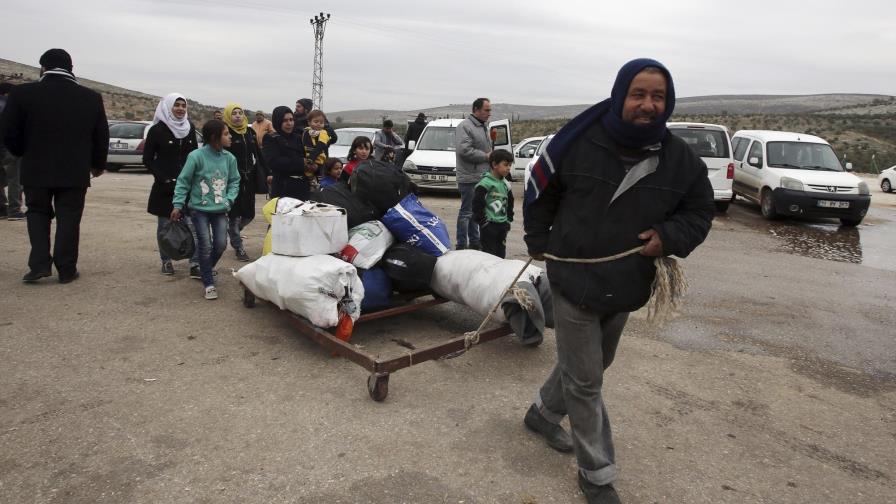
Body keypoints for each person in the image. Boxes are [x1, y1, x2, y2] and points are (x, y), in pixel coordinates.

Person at [522, 59, 714, 503]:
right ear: (619, 95)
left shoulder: (679, 160)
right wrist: (537, 238)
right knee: (587, 380)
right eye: (639, 94)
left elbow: (699, 212)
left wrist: (669, 236)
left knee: (592, 364)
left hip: (628, 282)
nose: (648, 105)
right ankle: (597, 474)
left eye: (658, 97)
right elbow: (541, 189)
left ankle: (542, 413)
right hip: (572, 277)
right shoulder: (578, 143)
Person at [1, 49, 109, 283]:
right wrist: (97, 164)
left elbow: (8, 132)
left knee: (37, 214)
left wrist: (22, 152)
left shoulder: (22, 94)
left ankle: (39, 265)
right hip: (74, 171)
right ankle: (67, 268)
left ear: (42, 67)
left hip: (35, 168)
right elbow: (101, 135)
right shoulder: (90, 97)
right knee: (69, 217)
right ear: (71, 68)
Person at [171, 119, 240, 300]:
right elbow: (183, 181)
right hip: (198, 209)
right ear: (214, 137)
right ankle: (209, 283)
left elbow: (234, 181)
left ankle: (204, 269)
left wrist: (229, 200)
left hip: (220, 209)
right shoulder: (196, 156)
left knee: (220, 244)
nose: (230, 136)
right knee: (205, 244)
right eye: (226, 134)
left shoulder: (229, 159)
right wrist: (178, 204)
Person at [143, 93, 200, 277]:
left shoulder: (189, 128)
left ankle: (194, 263)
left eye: (183, 105)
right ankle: (166, 260)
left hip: (188, 187)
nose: (181, 109)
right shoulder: (157, 130)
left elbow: (194, 156)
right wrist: (163, 178)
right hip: (165, 187)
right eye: (177, 105)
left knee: (193, 225)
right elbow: (148, 159)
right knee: (165, 227)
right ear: (168, 107)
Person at [222, 102, 266, 262]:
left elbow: (258, 153)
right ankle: (238, 246)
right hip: (231, 180)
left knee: (249, 214)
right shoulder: (225, 132)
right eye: (234, 113)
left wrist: (266, 172)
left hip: (249, 178)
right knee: (234, 215)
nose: (238, 116)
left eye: (240, 113)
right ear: (228, 116)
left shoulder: (249, 131)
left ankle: (232, 230)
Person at [454, 97, 492, 250]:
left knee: (475, 212)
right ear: (476, 110)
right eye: (487, 110)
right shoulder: (465, 126)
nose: (489, 113)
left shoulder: (483, 127)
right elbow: (464, 150)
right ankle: (461, 245)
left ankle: (475, 243)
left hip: (481, 176)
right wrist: (486, 156)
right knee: (466, 213)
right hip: (469, 177)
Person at [263, 106, 313, 200]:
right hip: (283, 188)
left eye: (291, 119)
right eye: (285, 120)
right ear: (278, 121)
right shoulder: (271, 138)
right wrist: (301, 162)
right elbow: (274, 162)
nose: (289, 123)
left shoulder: (299, 137)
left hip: (302, 187)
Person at [472, 149, 514, 258]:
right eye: (505, 165)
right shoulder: (484, 184)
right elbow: (477, 206)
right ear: (494, 164)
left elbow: (510, 203)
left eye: (510, 165)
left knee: (501, 255)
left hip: (502, 226)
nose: (508, 168)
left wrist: (508, 220)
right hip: (489, 226)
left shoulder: (506, 184)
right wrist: (483, 223)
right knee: (489, 257)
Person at [302, 109, 330, 176]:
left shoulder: (323, 133)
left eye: (321, 122)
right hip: (306, 160)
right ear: (309, 122)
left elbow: (320, 146)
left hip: (319, 161)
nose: (319, 124)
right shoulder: (306, 131)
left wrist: (311, 159)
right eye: (316, 121)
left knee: (318, 179)